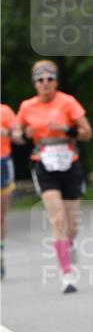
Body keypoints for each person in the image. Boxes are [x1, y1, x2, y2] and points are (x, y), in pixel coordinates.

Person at [16, 61, 93, 294]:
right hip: (44, 164)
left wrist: (65, 129)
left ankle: (70, 243)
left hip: (70, 163)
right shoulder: (27, 106)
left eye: (50, 79)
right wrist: (25, 133)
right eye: (40, 80)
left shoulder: (67, 102)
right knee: (58, 219)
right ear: (35, 84)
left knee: (72, 224)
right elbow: (17, 134)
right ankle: (67, 274)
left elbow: (87, 133)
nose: (45, 83)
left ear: (56, 82)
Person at [1, 102, 18, 280]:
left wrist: (6, 133)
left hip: (2, 163)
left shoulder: (4, 111)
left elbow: (19, 135)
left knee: (1, 215)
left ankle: (0, 252)